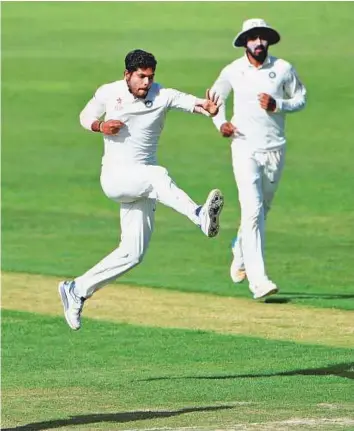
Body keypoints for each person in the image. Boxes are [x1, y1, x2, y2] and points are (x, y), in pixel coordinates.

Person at [58, 49, 224, 330]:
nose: (146, 83)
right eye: (141, 77)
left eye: (150, 77)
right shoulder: (109, 92)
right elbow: (85, 116)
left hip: (142, 184)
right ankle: (199, 215)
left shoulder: (162, 95)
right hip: (116, 178)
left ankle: (76, 289)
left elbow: (193, 104)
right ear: (127, 75)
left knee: (133, 253)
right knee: (157, 175)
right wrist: (101, 126)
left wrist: (207, 108)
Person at [210, 19, 306, 299]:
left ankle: (239, 249)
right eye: (254, 38)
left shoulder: (283, 69)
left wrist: (279, 105)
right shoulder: (233, 71)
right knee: (251, 210)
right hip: (243, 147)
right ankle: (258, 280)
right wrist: (221, 124)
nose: (259, 42)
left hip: (275, 149)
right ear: (245, 42)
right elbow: (215, 100)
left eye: (263, 38)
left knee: (262, 210)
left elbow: (301, 98)